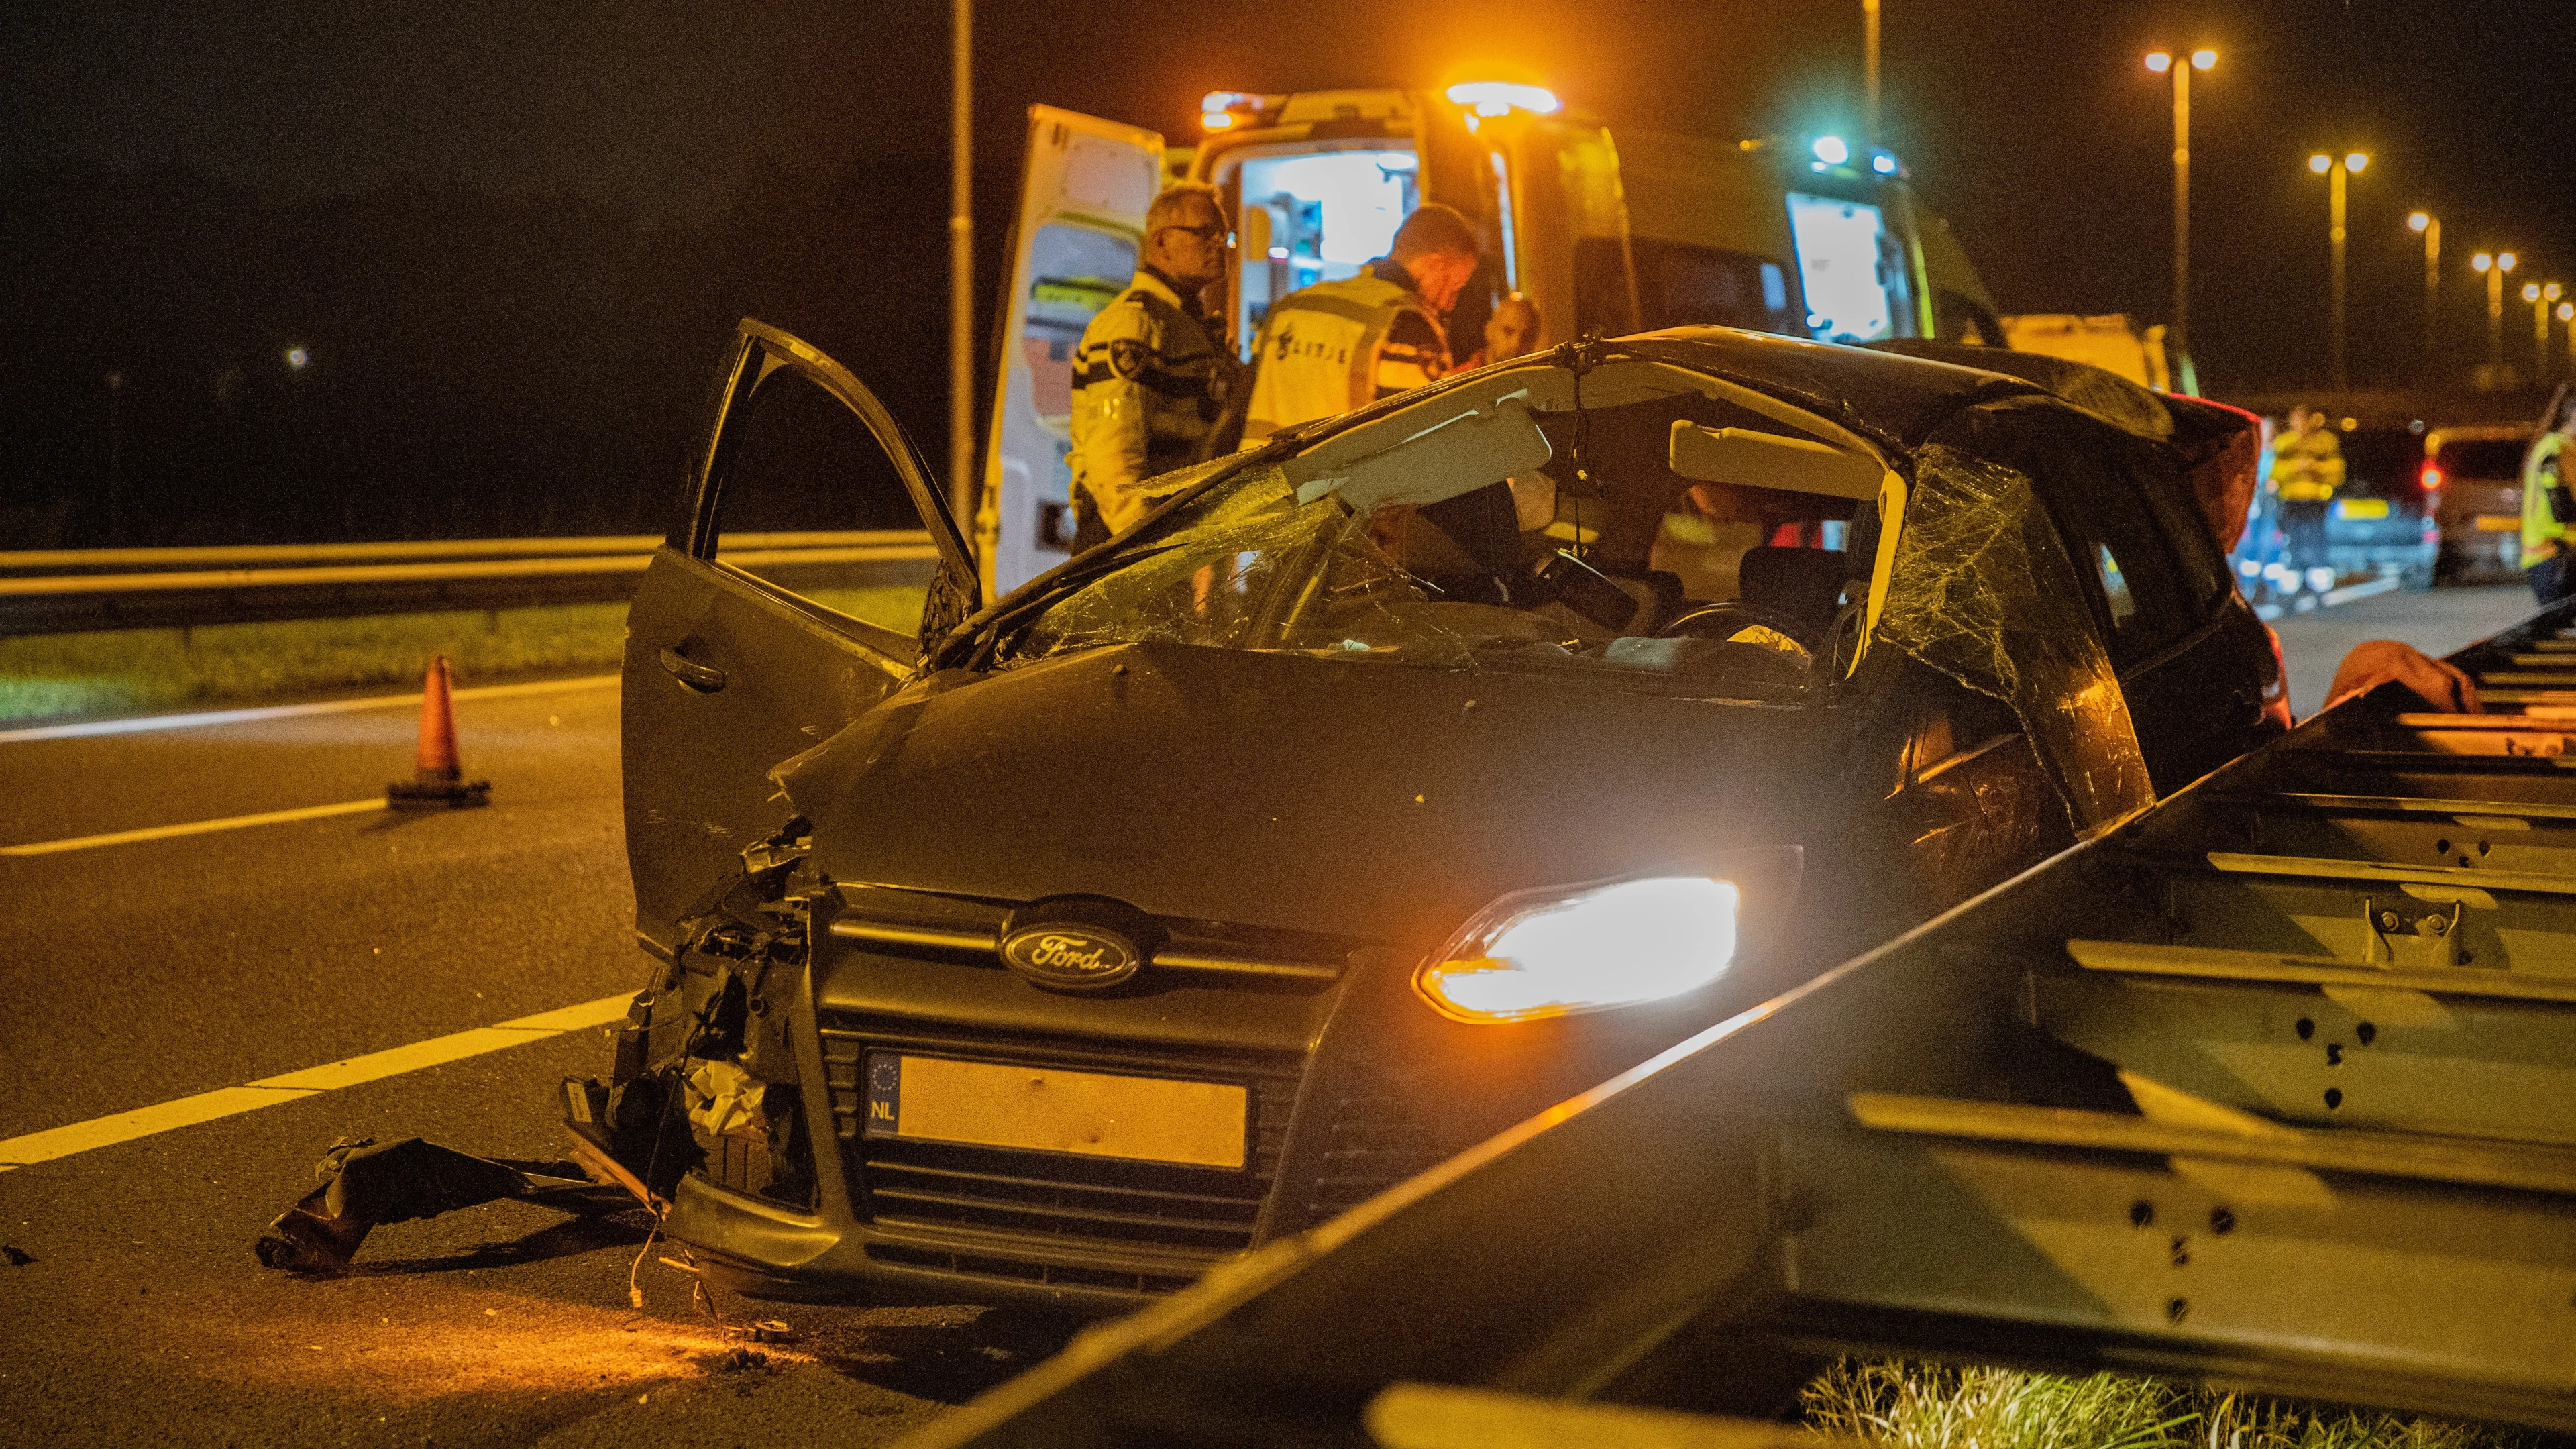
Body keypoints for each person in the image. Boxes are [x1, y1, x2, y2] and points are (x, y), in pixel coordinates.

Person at [1065, 182, 1238, 551]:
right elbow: (1114, 457)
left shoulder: (1181, 322)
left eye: (1223, 234)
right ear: (1161, 242)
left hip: (1164, 528)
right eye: (1204, 233)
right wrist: (1145, 547)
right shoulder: (1135, 324)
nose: (1219, 244)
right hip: (1127, 535)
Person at [1241, 202, 1482, 441]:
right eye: (1454, 288)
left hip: (1256, 478)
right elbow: (1432, 446)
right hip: (1337, 479)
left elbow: (1239, 412)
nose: (1450, 304)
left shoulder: (1293, 306)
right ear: (1434, 264)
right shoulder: (1408, 325)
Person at [2268, 405, 2345, 594]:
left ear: (2311, 421)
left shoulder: (2325, 442)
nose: (2299, 424)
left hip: (2316, 499)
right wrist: (2295, 468)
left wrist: (2314, 467)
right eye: (2295, 420)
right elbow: (2275, 471)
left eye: (2303, 419)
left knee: (2317, 538)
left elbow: (2337, 469)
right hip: (2291, 499)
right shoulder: (2284, 443)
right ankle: (2293, 580)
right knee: (2292, 539)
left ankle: (2320, 584)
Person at [2518, 383, 2576, 606]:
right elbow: (2561, 506)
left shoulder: (2559, 447)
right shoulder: (2556, 449)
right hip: (2554, 555)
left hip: (2556, 554)